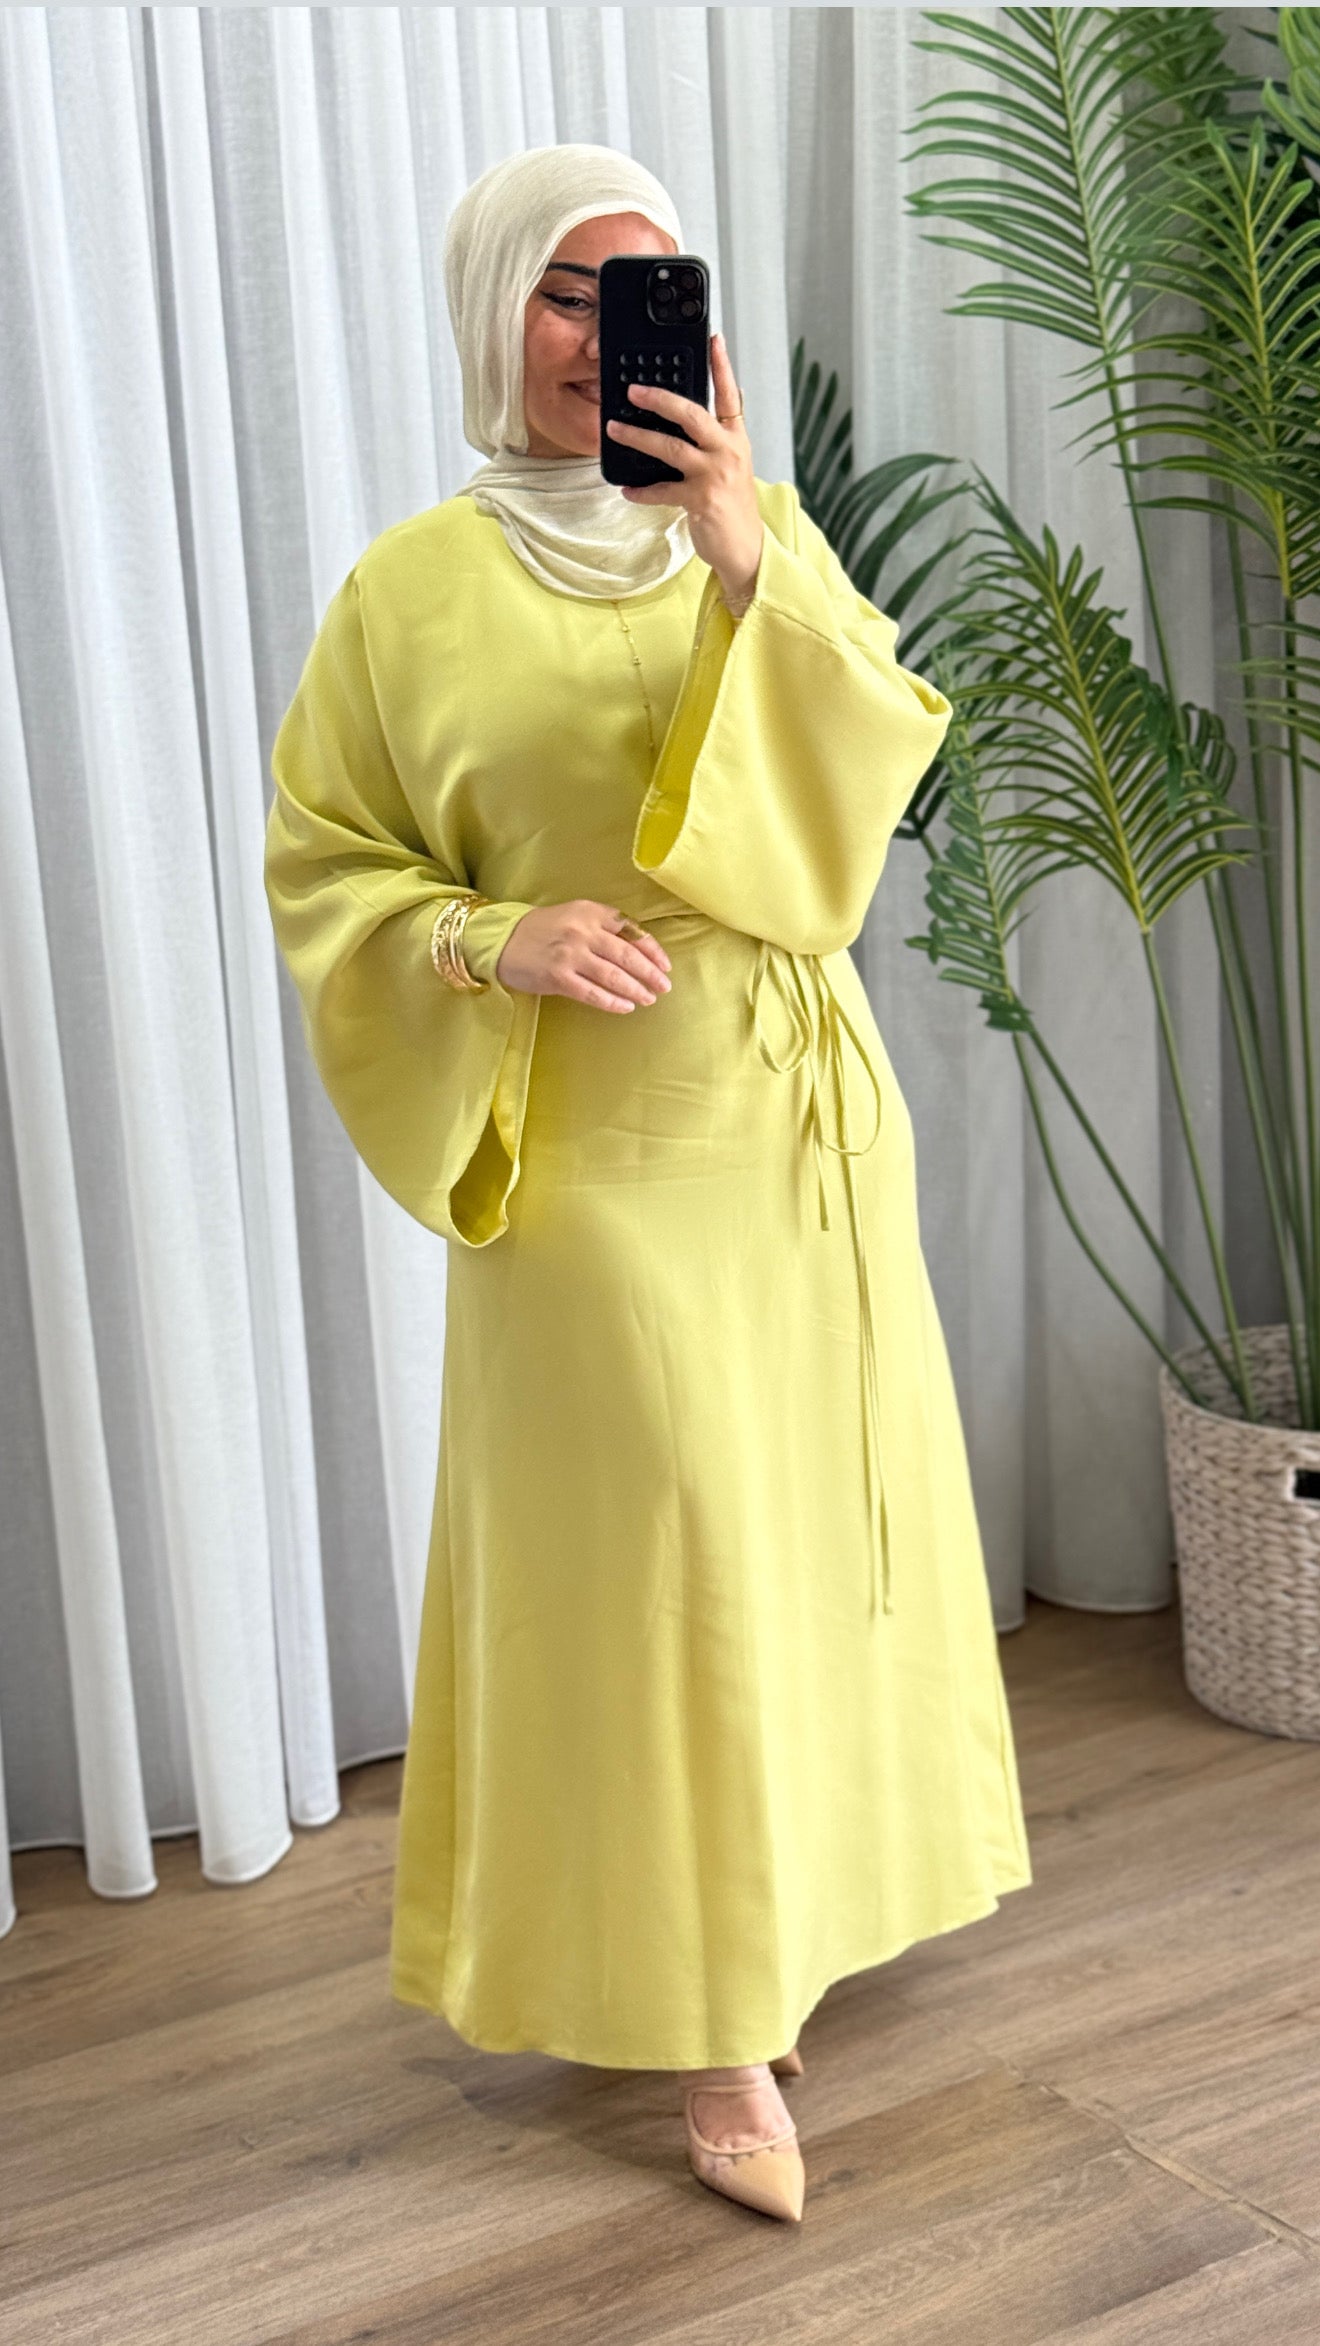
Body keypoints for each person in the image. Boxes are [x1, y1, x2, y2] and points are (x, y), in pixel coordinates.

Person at [263, 141, 1032, 2227]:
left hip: (791, 1120)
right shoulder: (407, 593)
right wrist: (487, 936)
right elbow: (330, 860)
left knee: (789, 1535)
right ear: (490, 311)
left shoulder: (747, 531)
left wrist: (747, 553)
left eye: (645, 295)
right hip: (590, 1136)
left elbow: (868, 782)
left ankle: (781, 1921)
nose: (606, 338)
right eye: (564, 294)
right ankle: (708, 2023)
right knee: (660, 1552)